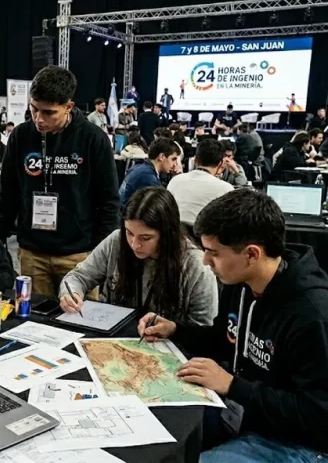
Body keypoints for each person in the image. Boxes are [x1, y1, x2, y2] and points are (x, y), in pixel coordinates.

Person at [138, 189, 328, 461]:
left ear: (251, 254)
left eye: (213, 252)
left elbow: (317, 415)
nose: (205, 261)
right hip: (242, 412)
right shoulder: (240, 283)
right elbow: (225, 339)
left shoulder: (312, 315)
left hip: (296, 442)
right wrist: (177, 330)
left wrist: (232, 385)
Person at [0, 65, 120, 296]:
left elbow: (109, 200)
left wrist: (100, 252)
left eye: (48, 113)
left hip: (79, 256)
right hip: (32, 252)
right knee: (33, 324)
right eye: (34, 109)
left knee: (79, 324)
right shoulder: (21, 137)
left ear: (68, 107)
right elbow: (8, 191)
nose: (38, 119)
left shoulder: (93, 139)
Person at [59, 186, 217, 325]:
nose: (134, 244)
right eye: (129, 233)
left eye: (146, 238)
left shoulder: (196, 265)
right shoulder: (117, 240)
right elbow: (78, 277)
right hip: (112, 336)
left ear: (167, 234)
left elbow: (202, 329)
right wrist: (72, 293)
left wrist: (175, 330)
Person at [167, 139, 234, 225]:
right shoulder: (226, 189)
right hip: (203, 236)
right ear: (221, 164)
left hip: (175, 235)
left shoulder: (174, 181)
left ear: (195, 160)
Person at [119, 137, 181, 208]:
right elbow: (163, 205)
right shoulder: (148, 177)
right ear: (162, 157)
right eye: (173, 159)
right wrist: (177, 178)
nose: (175, 164)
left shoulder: (141, 167)